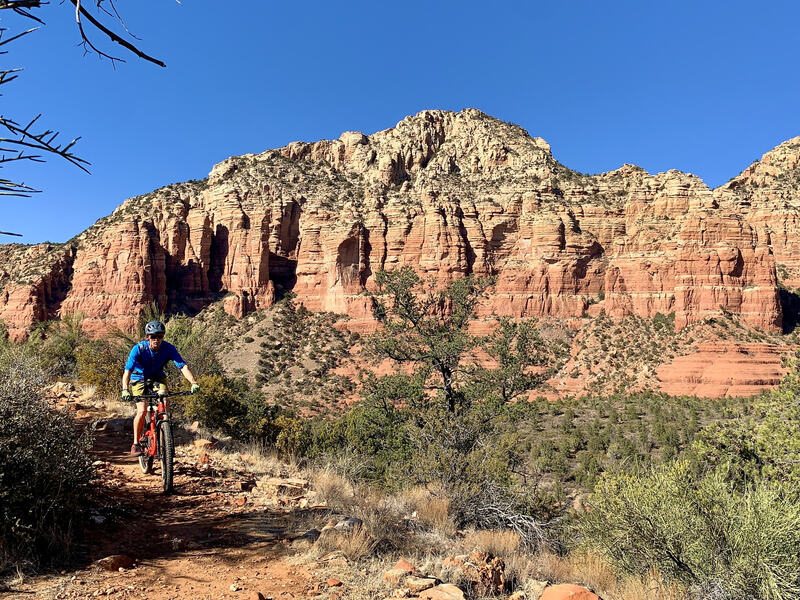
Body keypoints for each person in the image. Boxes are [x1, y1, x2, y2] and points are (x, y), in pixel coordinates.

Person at [122, 320, 200, 456]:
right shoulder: (139, 349)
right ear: (148, 337)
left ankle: (165, 433)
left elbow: (182, 366)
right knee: (141, 410)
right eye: (153, 337)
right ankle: (135, 443)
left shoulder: (168, 348)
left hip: (157, 377)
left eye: (160, 337)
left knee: (164, 397)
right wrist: (125, 389)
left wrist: (193, 382)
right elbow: (127, 371)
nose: (156, 340)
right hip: (139, 378)